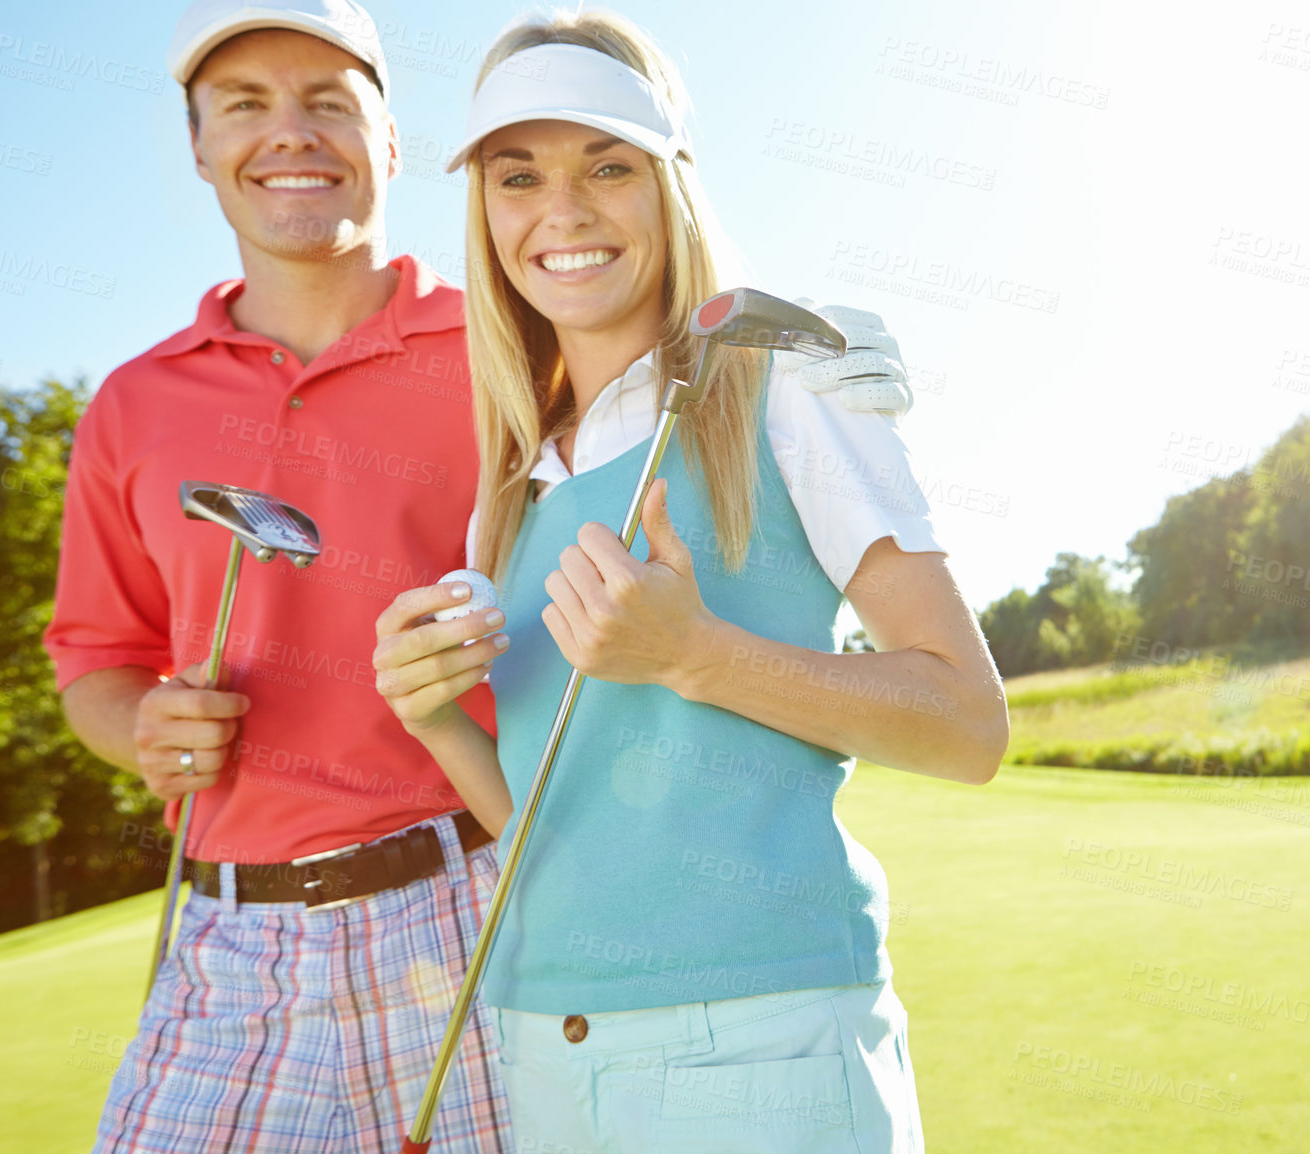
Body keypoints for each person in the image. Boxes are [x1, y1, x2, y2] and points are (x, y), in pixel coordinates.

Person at [372, 12, 1009, 1152]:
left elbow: (966, 724)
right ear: (484, 213)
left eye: (606, 165)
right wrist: (434, 722)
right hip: (541, 1046)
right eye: (518, 176)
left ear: (672, 183)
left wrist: (697, 654)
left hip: (759, 1041)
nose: (560, 211)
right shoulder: (509, 486)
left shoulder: (790, 383)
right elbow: (547, 833)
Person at [42, 2, 516, 1149]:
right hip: (229, 935)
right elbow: (94, 660)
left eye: (327, 102)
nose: (289, 133)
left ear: (390, 140)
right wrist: (144, 720)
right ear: (201, 147)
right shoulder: (132, 406)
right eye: (244, 105)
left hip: (482, 899)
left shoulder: (510, 352)